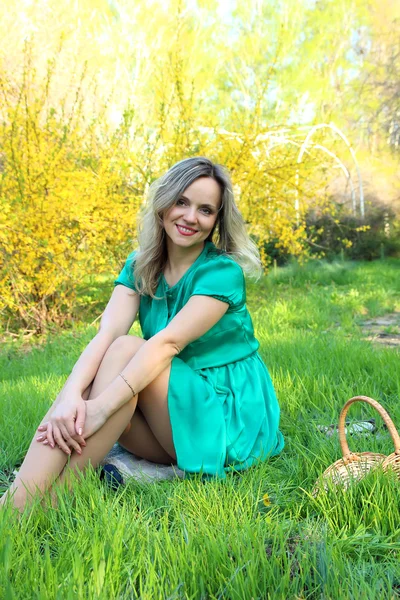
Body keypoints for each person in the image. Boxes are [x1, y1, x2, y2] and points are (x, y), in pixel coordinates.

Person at [1, 156, 284, 513]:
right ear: (164, 204)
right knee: (104, 363)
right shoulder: (141, 263)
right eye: (181, 201)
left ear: (216, 221)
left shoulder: (221, 272)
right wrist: (71, 396)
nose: (190, 217)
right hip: (170, 413)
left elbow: (168, 343)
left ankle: (52, 501)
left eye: (205, 210)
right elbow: (105, 334)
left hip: (227, 419)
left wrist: (100, 409)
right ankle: (19, 502)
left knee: (127, 352)